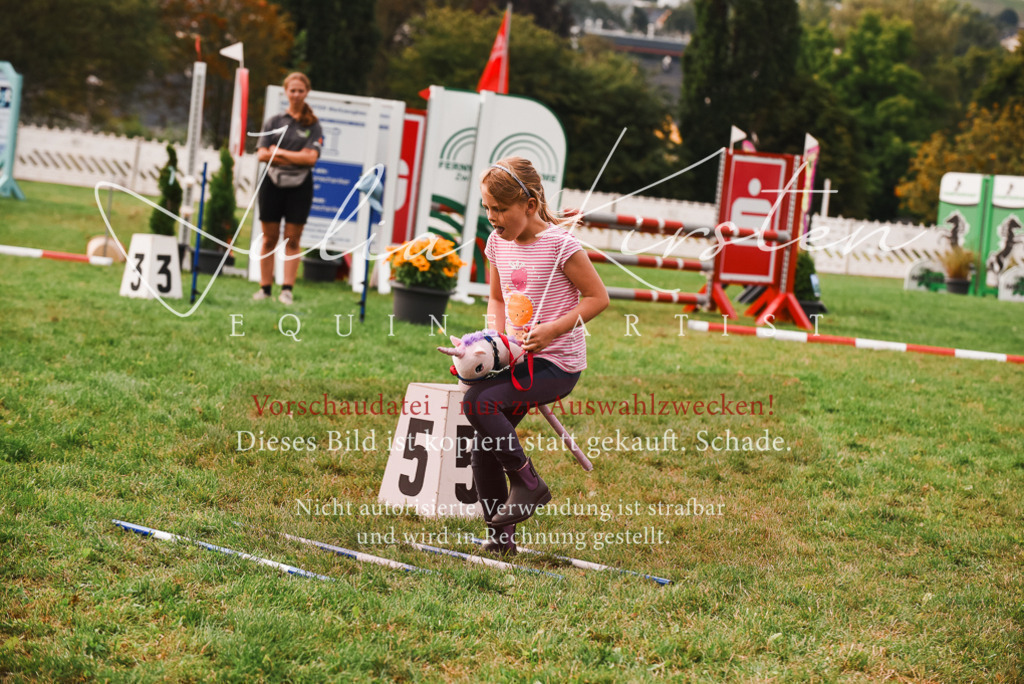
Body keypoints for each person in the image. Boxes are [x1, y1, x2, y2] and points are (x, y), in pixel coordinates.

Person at [463, 157, 609, 554]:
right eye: (488, 208)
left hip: (556, 363)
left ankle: (528, 482)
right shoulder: (496, 243)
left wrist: (553, 330)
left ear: (529, 205)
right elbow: (496, 298)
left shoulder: (561, 245)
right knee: (483, 443)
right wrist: (492, 344)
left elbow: (598, 298)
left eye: (501, 209)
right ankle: (500, 539)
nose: (492, 217)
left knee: (482, 405)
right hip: (515, 358)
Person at [253, 72, 322, 305]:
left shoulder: (313, 124)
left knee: (293, 240)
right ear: (286, 92)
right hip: (271, 184)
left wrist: (279, 153)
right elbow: (262, 154)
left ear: (306, 92)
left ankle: (287, 290)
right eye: (292, 90)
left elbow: (311, 158)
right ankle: (264, 288)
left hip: (300, 187)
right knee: (269, 239)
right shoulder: (274, 121)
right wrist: (294, 157)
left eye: (300, 90)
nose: (295, 94)